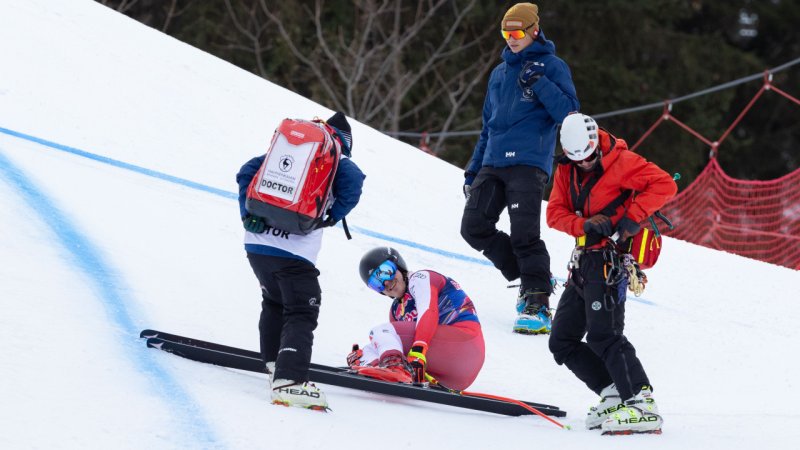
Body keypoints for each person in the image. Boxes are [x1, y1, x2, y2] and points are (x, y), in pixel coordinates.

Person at [546, 113, 677, 434]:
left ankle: (642, 401)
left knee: (604, 335)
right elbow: (554, 213)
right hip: (583, 261)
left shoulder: (622, 161)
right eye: (578, 160)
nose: (584, 164)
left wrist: (633, 218)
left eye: (589, 157)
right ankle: (613, 391)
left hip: (610, 261)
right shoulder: (566, 169)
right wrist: (583, 224)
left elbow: (665, 184)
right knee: (562, 340)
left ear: (596, 144)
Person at [460, 2, 580, 335]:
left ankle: (537, 303)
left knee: (524, 233)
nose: (511, 39)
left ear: (534, 31)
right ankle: (532, 279)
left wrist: (540, 82)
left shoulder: (552, 66)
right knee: (473, 227)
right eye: (505, 33)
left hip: (528, 163)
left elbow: (570, 114)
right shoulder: (499, 73)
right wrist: (473, 170)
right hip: (493, 162)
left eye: (516, 33)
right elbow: (488, 125)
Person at [236, 111, 365, 411]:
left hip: (257, 246)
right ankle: (289, 380)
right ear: (343, 143)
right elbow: (354, 181)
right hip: (294, 253)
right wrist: (332, 217)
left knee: (274, 302)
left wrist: (247, 214)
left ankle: (274, 366)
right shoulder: (334, 156)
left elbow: (246, 171)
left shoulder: (293, 152)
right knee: (302, 310)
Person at [349, 247, 485, 391]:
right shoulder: (395, 311)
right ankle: (373, 365)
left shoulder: (421, 278)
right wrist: (366, 356)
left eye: (385, 272)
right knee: (371, 348)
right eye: (377, 284)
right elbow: (396, 348)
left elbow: (428, 311)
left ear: (398, 265)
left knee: (381, 331)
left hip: (465, 345)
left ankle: (394, 369)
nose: (386, 283)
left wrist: (418, 351)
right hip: (449, 374)